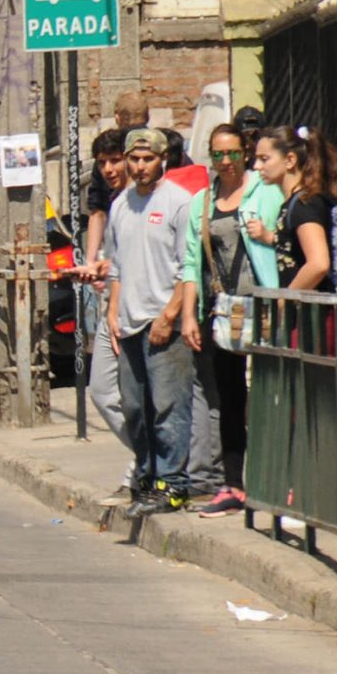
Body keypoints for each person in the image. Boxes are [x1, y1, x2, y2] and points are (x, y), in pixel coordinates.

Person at [179, 123, 283, 511]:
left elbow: (284, 238)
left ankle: (276, 479)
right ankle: (234, 485)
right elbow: (191, 263)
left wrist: (267, 235)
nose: (225, 162)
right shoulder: (202, 203)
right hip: (224, 311)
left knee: (270, 391)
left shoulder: (266, 190)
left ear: (246, 153)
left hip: (265, 305)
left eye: (233, 153)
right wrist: (190, 315)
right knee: (229, 395)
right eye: (218, 154)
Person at [102, 127, 198, 514]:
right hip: (129, 322)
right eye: (135, 159)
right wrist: (112, 311)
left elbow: (188, 266)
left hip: (164, 323)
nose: (140, 166)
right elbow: (117, 265)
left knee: (168, 408)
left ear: (162, 161)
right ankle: (146, 478)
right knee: (135, 408)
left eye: (148, 159)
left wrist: (171, 314)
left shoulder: (179, 202)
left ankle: (173, 484)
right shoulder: (121, 205)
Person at [80, 129, 133, 459]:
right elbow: (96, 215)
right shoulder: (113, 199)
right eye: (103, 163)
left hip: (135, 308)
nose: (110, 169)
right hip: (111, 305)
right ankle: (146, 458)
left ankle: (150, 466)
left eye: (116, 161)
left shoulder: (141, 200)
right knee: (101, 390)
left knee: (135, 393)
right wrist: (93, 262)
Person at [247, 127, 337, 292]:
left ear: (290, 160)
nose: (256, 166)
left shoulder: (304, 204)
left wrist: (285, 300)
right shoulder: (292, 204)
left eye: (264, 159)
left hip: (313, 313)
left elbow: (318, 263)